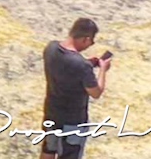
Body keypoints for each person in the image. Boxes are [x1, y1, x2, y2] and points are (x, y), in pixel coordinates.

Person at [40, 18, 111, 159]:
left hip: (51, 113)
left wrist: (88, 63)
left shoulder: (50, 48)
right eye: (92, 41)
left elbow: (67, 68)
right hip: (72, 122)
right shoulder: (81, 66)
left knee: (48, 150)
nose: (90, 44)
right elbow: (96, 92)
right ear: (86, 39)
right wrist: (103, 69)